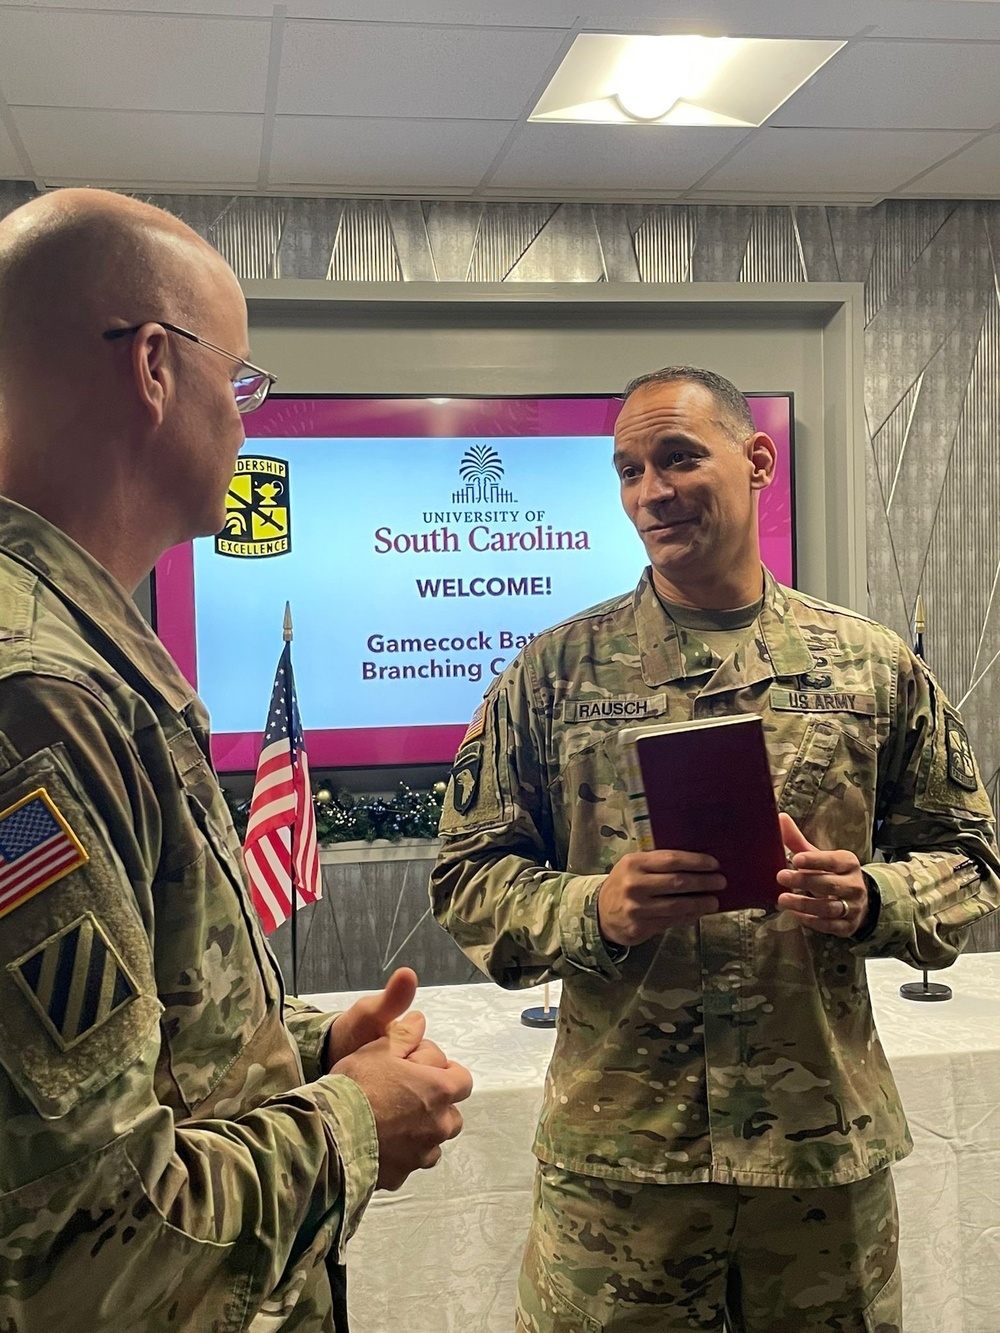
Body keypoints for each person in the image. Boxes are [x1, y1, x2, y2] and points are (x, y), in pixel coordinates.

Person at [431, 365, 1000, 1333]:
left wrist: (871, 899)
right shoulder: (556, 672)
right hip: (621, 1167)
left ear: (757, 461)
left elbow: (970, 856)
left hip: (813, 1160)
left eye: (678, 457)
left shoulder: (869, 665)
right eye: (627, 469)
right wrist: (592, 908)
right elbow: (467, 873)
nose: (650, 490)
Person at [0, 188, 472, 1332]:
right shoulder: (40, 697)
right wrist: (356, 1120)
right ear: (154, 366)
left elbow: (97, 1077)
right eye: (244, 382)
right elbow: (93, 1249)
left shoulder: (73, 651)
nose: (250, 420)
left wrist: (307, 1054)